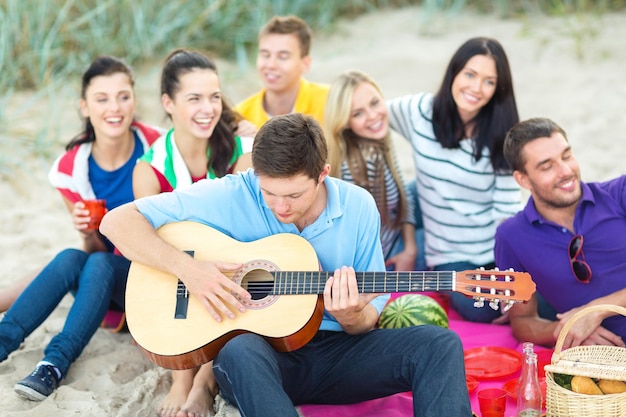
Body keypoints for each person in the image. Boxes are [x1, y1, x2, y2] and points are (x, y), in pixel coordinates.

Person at [100, 113, 472, 417]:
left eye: (294, 194)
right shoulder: (231, 192)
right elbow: (115, 222)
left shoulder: (358, 207)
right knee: (238, 351)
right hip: (264, 363)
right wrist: (190, 271)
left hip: (339, 353)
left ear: (323, 173)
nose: (280, 207)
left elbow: (366, 322)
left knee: (440, 343)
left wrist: (350, 316)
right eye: (269, 193)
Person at [0, 56, 161, 401]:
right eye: (102, 99)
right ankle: (4, 341)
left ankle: (55, 362)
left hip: (157, 278)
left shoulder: (159, 147)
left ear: (134, 100)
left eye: (123, 96)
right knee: (74, 256)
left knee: (96, 263)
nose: (114, 107)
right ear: (85, 106)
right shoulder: (72, 168)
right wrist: (88, 232)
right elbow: (95, 255)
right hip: (110, 281)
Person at [133, 48, 253, 417]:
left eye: (214, 97)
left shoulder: (239, 149)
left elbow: (249, 229)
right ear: (168, 103)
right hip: (175, 272)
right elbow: (150, 246)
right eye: (194, 98)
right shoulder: (150, 168)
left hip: (234, 263)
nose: (208, 108)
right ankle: (181, 378)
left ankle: (202, 381)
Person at [386, 37, 522, 322]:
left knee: (488, 308)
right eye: (470, 74)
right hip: (446, 247)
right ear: (454, 73)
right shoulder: (419, 111)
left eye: (488, 81)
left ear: (498, 89)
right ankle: (417, 245)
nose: (475, 88)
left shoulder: (502, 135)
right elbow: (369, 113)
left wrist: (509, 276)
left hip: (486, 244)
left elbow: (506, 216)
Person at [495, 117, 626, 349]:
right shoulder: (511, 236)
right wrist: (566, 328)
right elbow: (522, 321)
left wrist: (594, 311)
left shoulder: (619, 193)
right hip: (601, 362)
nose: (566, 171)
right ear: (522, 179)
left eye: (567, 156)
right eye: (547, 166)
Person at [324, 70, 426, 272]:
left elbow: (404, 195)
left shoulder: (378, 142)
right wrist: (407, 253)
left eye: (374, 103)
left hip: (394, 231)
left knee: (424, 187)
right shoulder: (362, 164)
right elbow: (363, 245)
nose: (372, 116)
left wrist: (410, 247)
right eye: (357, 113)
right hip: (386, 260)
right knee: (443, 246)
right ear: (344, 122)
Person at [235, 15, 329, 129]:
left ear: (305, 63)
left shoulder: (331, 103)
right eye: (265, 55)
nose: (271, 65)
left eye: (283, 56)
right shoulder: (240, 117)